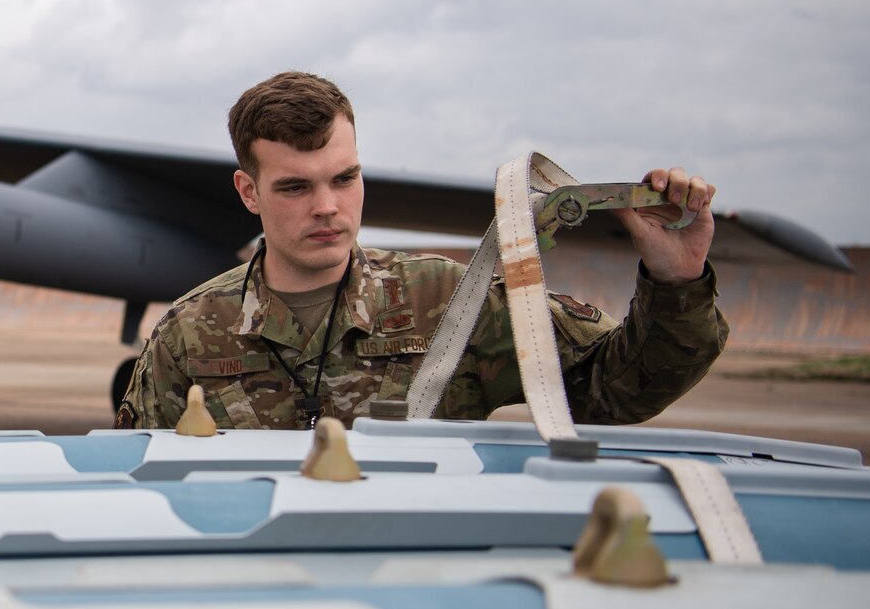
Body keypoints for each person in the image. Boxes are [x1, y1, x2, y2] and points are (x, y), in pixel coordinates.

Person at [118, 71, 728, 430]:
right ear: (249, 191)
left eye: (345, 178)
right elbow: (133, 482)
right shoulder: (191, 334)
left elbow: (618, 390)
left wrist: (675, 280)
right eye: (296, 187)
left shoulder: (448, 302)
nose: (328, 206)